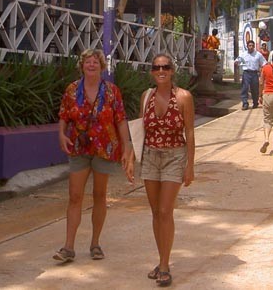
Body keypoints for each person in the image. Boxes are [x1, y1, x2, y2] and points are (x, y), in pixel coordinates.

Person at [54, 49, 134, 263]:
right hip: (79, 148)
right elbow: (64, 115)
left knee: (100, 195)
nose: (91, 65)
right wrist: (61, 134)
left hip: (105, 148)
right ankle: (68, 247)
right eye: (87, 62)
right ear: (82, 66)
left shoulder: (111, 91)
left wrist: (127, 147)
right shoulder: (72, 90)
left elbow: (120, 119)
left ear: (101, 66)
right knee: (75, 196)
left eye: (95, 62)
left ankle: (95, 243)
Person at [140, 54, 195, 287]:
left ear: (172, 70)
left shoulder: (183, 97)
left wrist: (190, 165)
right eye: (156, 67)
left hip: (174, 156)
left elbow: (190, 132)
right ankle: (161, 258)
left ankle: (164, 265)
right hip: (150, 156)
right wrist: (132, 156)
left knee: (165, 211)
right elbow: (140, 129)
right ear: (152, 72)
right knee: (155, 212)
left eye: (165, 67)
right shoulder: (146, 97)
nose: (160, 70)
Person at [235, 40, 267, 110]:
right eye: (250, 45)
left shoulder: (258, 55)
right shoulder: (243, 54)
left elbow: (264, 63)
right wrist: (237, 63)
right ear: (247, 46)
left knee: (255, 89)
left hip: (254, 73)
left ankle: (255, 102)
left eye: (252, 46)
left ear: (254, 46)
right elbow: (237, 61)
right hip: (246, 73)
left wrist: (264, 72)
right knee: (245, 88)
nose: (251, 47)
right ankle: (245, 103)